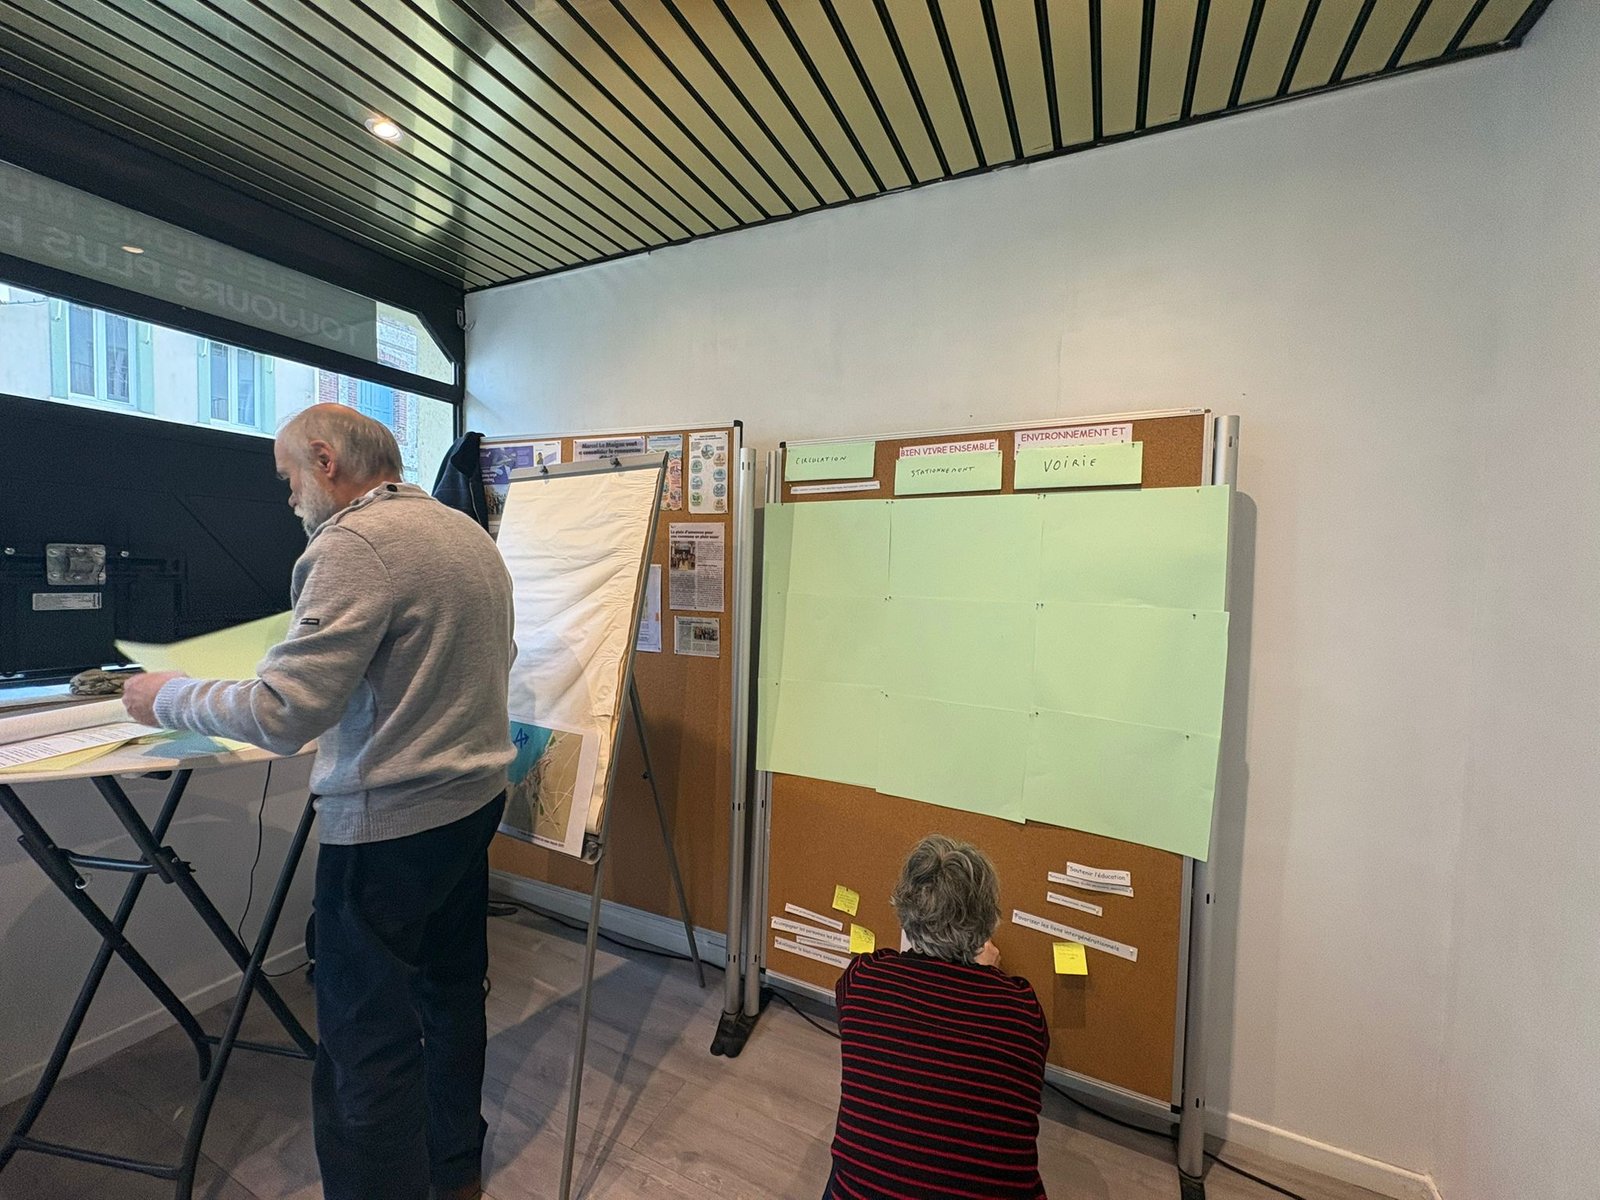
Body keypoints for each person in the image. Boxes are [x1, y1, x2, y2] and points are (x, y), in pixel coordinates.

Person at [121, 404, 515, 1200]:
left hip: (389, 827)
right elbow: (483, 657)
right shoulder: (466, 534)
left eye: (289, 478)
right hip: (472, 802)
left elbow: (282, 713)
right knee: (450, 995)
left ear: (326, 461)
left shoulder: (351, 544)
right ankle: (453, 1171)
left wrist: (163, 696)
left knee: (365, 1040)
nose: (290, 498)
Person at [825, 835, 1049, 1200]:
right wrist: (988, 972)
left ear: (905, 910)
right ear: (988, 923)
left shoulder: (864, 977)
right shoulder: (1023, 1010)